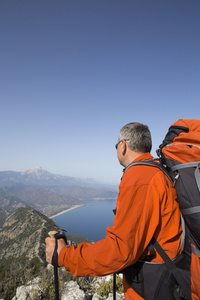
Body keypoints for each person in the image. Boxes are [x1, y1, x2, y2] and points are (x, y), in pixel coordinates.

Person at [45, 122, 182, 299]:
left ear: (123, 145)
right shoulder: (157, 171)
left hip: (153, 288)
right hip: (165, 280)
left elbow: (120, 250)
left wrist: (64, 255)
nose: (117, 148)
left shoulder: (140, 177)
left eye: (116, 145)